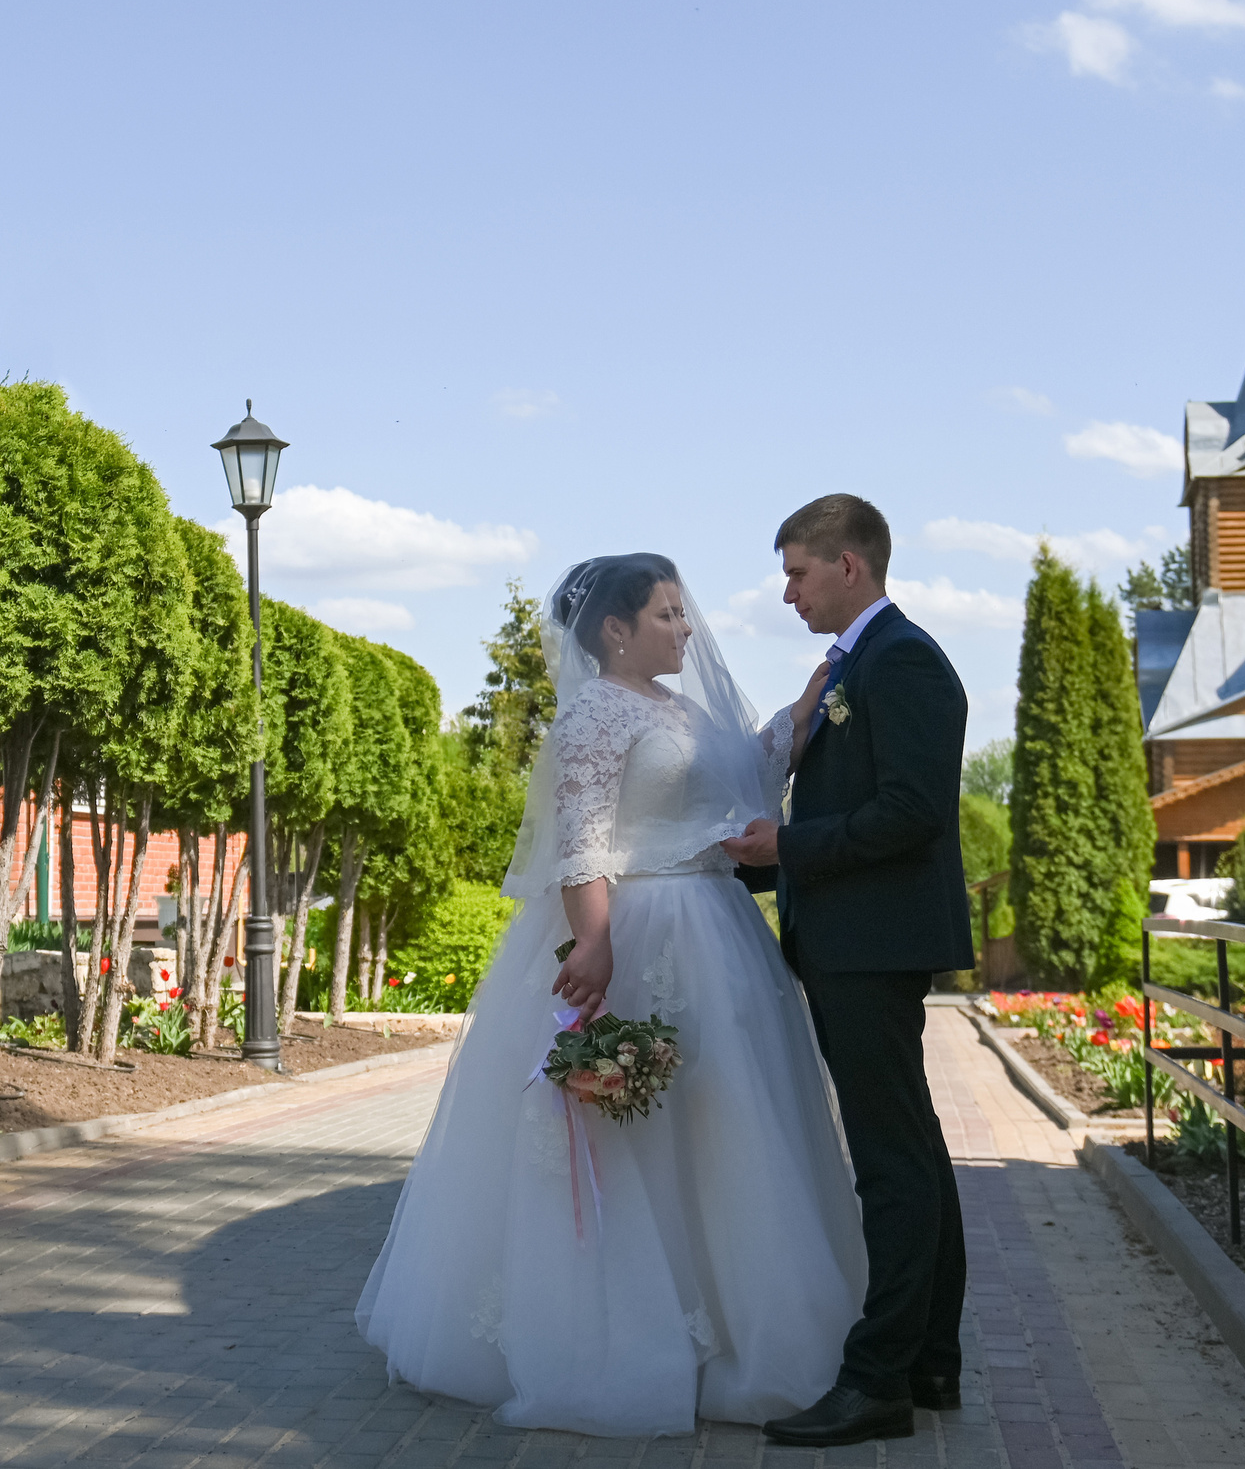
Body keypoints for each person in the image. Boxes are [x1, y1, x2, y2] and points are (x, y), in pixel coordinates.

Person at [355, 553, 867, 1436]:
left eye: (682, 610)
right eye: (667, 614)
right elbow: (582, 837)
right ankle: (627, 1338)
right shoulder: (595, 710)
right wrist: (593, 942)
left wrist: (811, 699)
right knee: (640, 1124)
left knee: (722, 1124)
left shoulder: (680, 708)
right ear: (615, 631)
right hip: (642, 930)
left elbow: (747, 768)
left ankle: (737, 1329)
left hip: (718, 933)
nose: (686, 627)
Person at [722, 494, 976, 1448]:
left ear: (849, 567)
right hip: (855, 942)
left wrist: (784, 847)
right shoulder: (856, 664)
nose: (787, 593)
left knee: (890, 1164)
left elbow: (911, 813)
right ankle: (928, 1361)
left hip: (871, 947)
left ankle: (877, 1383)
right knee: (911, 1150)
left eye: (797, 572)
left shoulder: (900, 661)